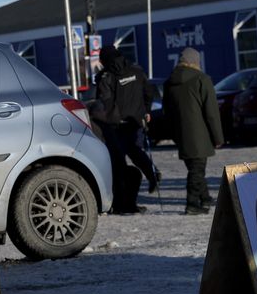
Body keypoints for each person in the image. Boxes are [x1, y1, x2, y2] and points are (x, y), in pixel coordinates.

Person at [93, 43, 159, 214]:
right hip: (135, 121)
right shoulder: (136, 70)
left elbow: (105, 102)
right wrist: (146, 110)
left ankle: (123, 203)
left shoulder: (106, 77)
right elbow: (149, 91)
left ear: (104, 59)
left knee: (117, 165)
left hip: (115, 126)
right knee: (135, 150)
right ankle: (152, 173)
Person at [162, 48, 224, 215]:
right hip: (199, 133)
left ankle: (205, 198)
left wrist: (173, 132)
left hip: (181, 133)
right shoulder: (201, 79)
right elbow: (211, 112)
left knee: (194, 166)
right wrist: (217, 136)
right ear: (196, 62)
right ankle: (192, 203)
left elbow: (166, 111)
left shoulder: (169, 82)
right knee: (197, 169)